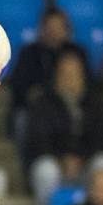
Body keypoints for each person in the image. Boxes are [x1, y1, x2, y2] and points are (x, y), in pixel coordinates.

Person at [24, 48, 103, 205]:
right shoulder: (44, 102)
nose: (70, 79)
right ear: (57, 75)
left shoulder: (96, 101)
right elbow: (38, 138)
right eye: (65, 73)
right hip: (57, 164)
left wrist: (82, 158)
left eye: (74, 73)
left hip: (86, 163)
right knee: (45, 170)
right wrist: (62, 159)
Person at [9, 7, 90, 141]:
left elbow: (88, 83)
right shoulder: (29, 53)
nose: (54, 31)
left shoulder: (77, 52)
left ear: (66, 29)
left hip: (73, 104)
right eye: (50, 26)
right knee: (22, 120)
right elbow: (20, 86)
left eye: (58, 26)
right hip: (38, 109)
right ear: (42, 29)